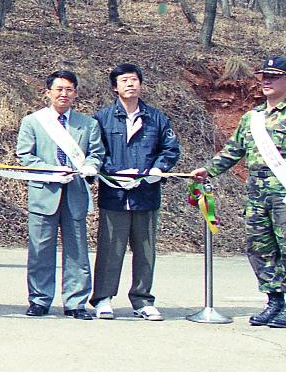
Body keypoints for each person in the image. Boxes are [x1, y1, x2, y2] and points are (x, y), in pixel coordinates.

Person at [192, 56, 286, 327]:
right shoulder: (252, 118)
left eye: (274, 75)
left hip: (283, 190)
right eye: (263, 76)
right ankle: (274, 300)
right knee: (259, 247)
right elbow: (233, 151)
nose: (266, 80)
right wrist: (208, 170)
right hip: (257, 192)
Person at [90, 63, 181, 321]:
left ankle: (142, 300)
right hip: (115, 194)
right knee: (110, 249)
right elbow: (96, 152)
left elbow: (170, 149)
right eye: (124, 81)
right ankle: (103, 298)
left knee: (146, 250)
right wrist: (114, 173)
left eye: (134, 80)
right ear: (114, 87)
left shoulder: (157, 118)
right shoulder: (102, 118)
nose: (130, 84)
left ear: (141, 84)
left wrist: (158, 169)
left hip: (146, 195)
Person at [16, 69, 105, 319]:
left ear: (75, 93)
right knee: (40, 249)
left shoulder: (88, 124)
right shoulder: (33, 122)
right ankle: (39, 299)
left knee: (77, 249)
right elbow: (25, 156)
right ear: (48, 92)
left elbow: (97, 153)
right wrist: (52, 170)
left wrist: (91, 166)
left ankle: (75, 302)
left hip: (75, 193)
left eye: (69, 89)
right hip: (44, 193)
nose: (64, 94)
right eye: (59, 89)